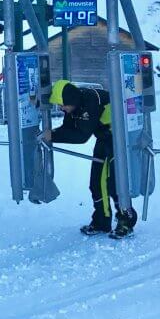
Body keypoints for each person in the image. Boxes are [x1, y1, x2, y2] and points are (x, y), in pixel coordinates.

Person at [42, 79, 138, 238]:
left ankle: (126, 221)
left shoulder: (90, 102)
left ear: (70, 99)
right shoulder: (75, 106)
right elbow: (68, 128)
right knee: (96, 183)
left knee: (115, 183)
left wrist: (52, 135)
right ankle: (102, 221)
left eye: (62, 105)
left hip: (120, 140)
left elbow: (81, 136)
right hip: (104, 138)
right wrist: (52, 134)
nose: (61, 108)